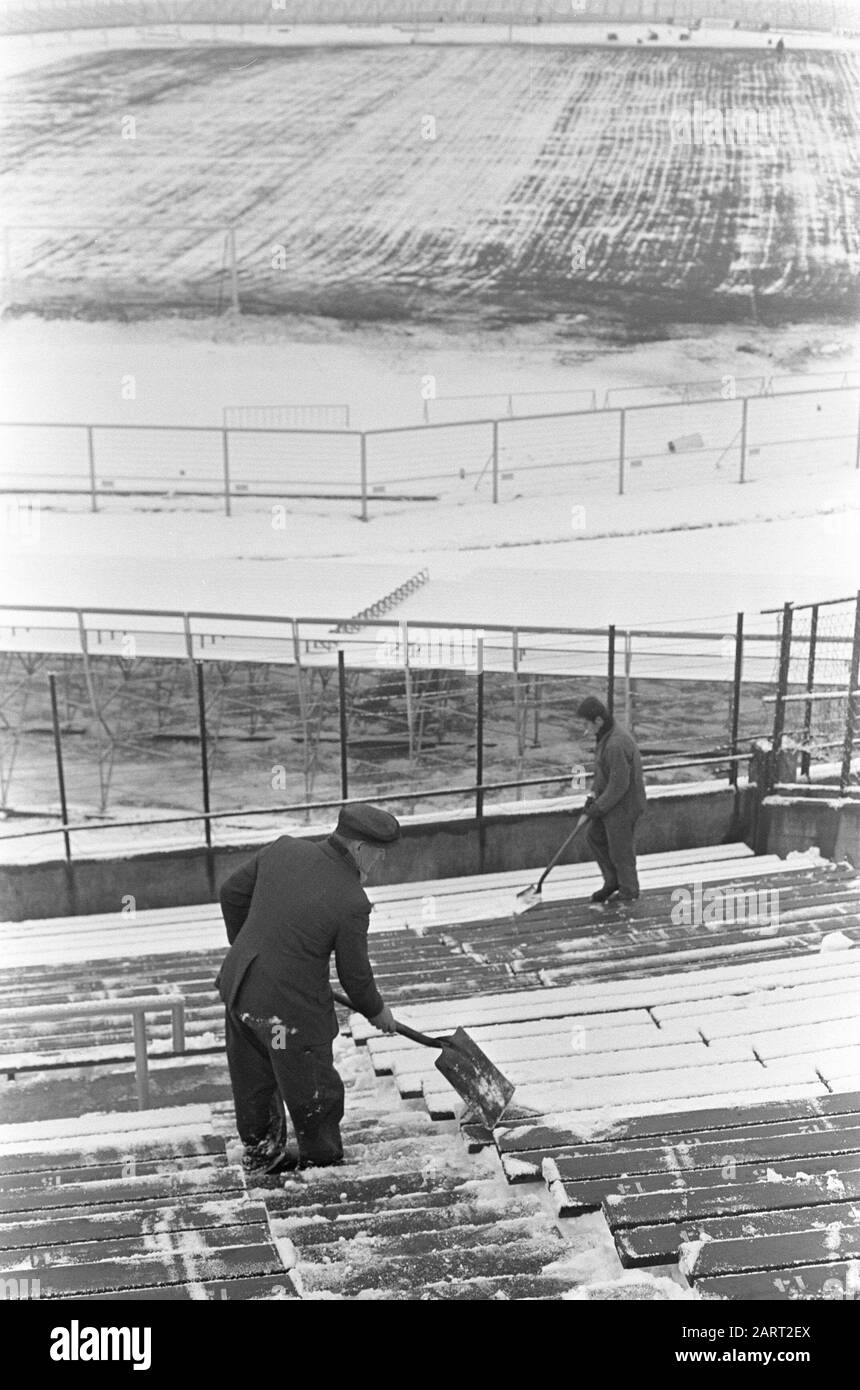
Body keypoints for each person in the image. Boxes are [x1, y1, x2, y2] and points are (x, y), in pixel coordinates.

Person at [215, 803, 400, 1175]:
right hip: (289, 1015)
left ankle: (260, 1150)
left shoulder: (284, 849)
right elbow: (355, 977)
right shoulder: (352, 901)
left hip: (242, 992)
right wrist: (378, 1011)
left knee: (255, 1075)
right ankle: (323, 1158)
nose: (380, 860)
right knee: (310, 1081)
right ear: (360, 848)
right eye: (379, 853)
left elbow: (231, 893)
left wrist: (255, 952)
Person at [576, 696, 647, 905]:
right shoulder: (606, 735)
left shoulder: (615, 743)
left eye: (586, 723)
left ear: (598, 720)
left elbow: (619, 785)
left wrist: (597, 807)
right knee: (595, 836)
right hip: (610, 802)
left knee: (620, 850)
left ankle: (628, 892)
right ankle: (612, 881)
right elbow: (603, 774)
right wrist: (592, 797)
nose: (584, 729)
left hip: (625, 804)